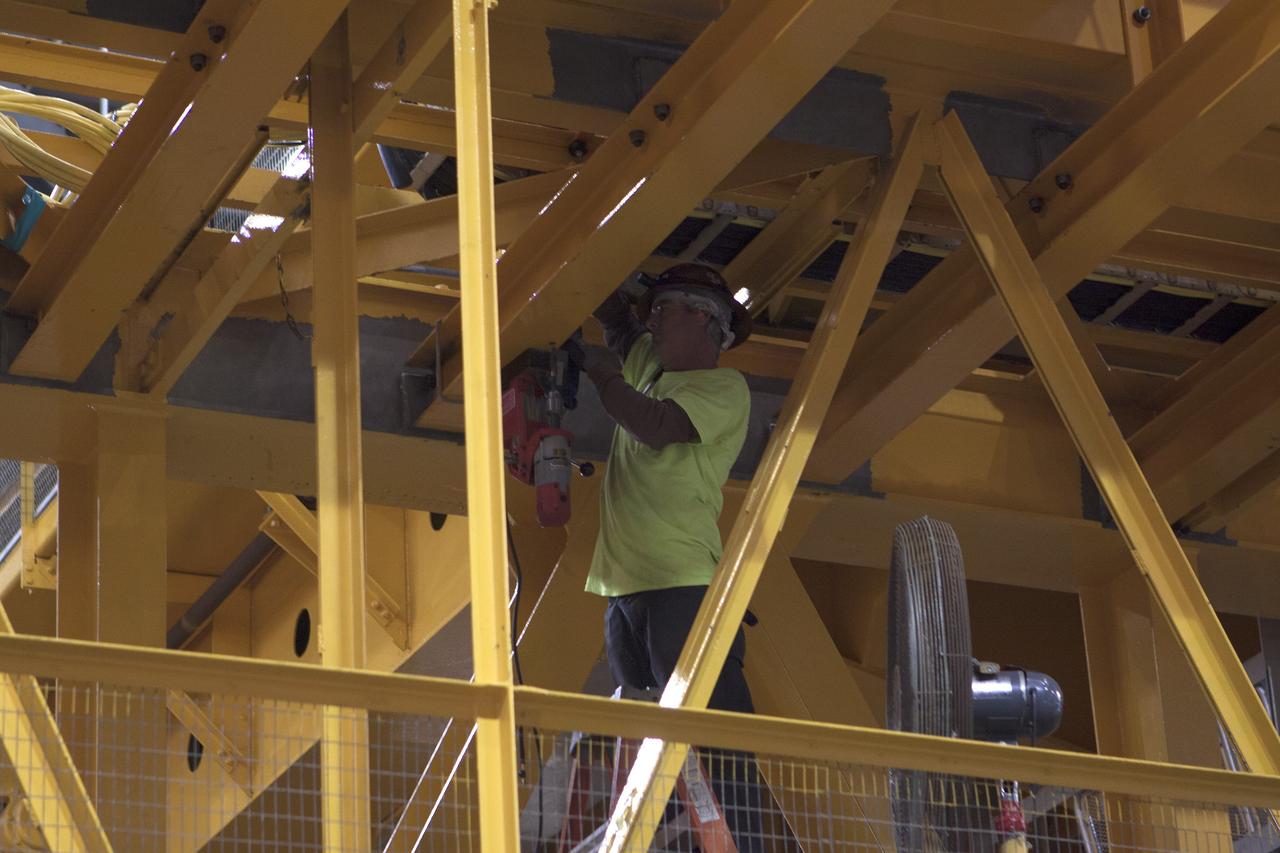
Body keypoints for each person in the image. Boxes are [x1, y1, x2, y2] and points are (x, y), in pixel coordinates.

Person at [570, 262, 764, 850]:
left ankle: (745, 842)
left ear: (706, 322)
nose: (651, 323)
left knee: (716, 734)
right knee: (647, 735)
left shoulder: (722, 388)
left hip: (681, 581)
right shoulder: (650, 365)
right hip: (625, 585)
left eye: (664, 311)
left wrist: (603, 378)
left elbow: (656, 425)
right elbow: (617, 324)